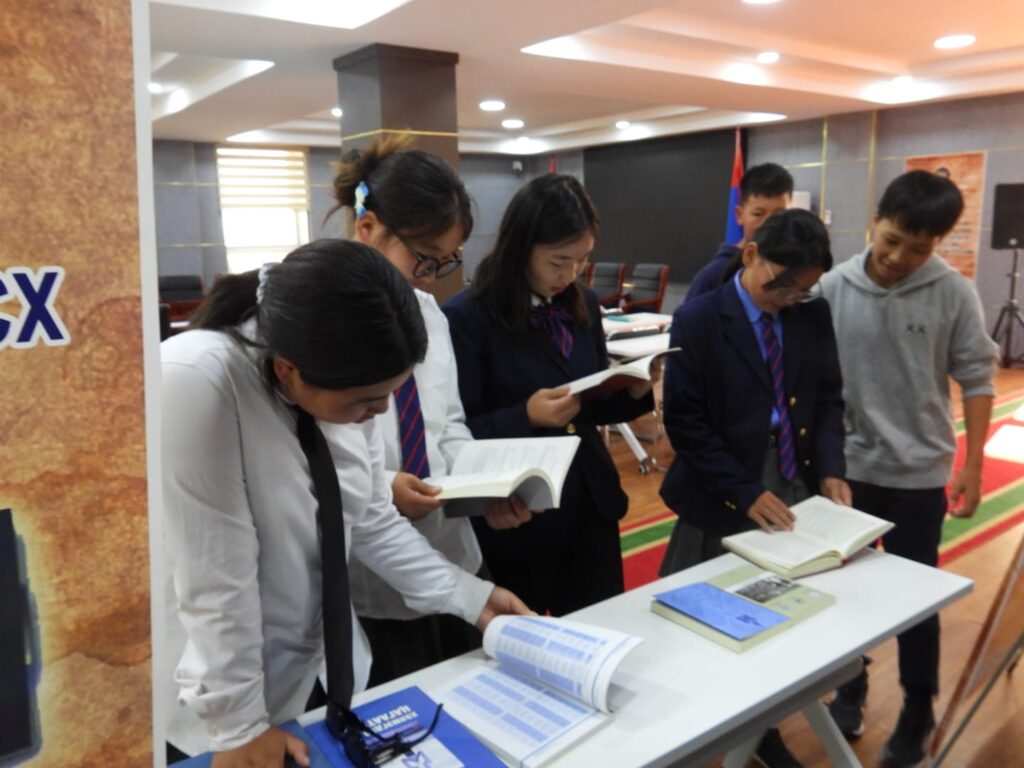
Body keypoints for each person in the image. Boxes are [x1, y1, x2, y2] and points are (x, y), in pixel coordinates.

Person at [160, 241, 529, 766]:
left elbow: (371, 517)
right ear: (288, 370)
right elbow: (215, 573)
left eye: (388, 395)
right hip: (223, 699)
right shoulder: (197, 381)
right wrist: (238, 724)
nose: (377, 414)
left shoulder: (340, 381)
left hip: (320, 669)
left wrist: (473, 599)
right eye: (365, 401)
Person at [328, 136, 530, 686]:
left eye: (447, 261)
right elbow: (311, 460)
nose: (429, 274)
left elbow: (447, 424)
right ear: (367, 227)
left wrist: (484, 484)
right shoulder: (325, 325)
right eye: (423, 257)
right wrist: (383, 485)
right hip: (373, 576)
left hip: (453, 550)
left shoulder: (429, 315)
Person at [820, 170, 998, 768]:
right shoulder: (832, 287)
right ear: (874, 221)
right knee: (847, 592)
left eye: (918, 249)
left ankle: (918, 708)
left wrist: (974, 464)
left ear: (937, 244)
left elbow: (977, 378)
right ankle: (850, 686)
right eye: (891, 239)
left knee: (915, 601)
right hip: (847, 474)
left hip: (919, 475)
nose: (898, 257)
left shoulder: (953, 292)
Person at [659, 208, 849, 768]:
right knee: (710, 614)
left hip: (793, 478)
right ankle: (695, 721)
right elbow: (686, 423)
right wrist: (742, 490)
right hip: (723, 486)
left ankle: (760, 728)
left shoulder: (810, 314)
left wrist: (831, 468)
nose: (786, 299)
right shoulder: (698, 318)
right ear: (750, 255)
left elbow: (829, 397)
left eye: (801, 290)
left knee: (782, 611)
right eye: (779, 285)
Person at [443, 173, 655, 616]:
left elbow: (588, 405)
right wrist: (525, 415)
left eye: (582, 260)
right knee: (524, 640)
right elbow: (454, 432)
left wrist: (634, 388)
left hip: (589, 502)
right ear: (521, 247)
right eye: (559, 261)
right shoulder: (467, 317)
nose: (570, 274)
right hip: (519, 511)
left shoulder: (583, 303)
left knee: (601, 625)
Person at [687, 162, 793, 301]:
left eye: (779, 214)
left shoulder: (794, 271)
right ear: (739, 215)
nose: (769, 224)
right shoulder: (713, 277)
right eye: (758, 214)